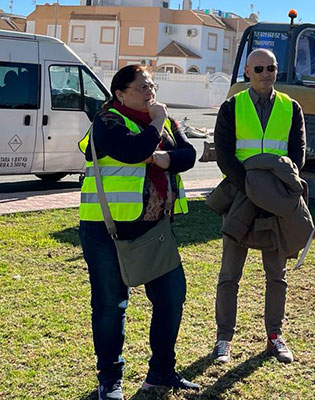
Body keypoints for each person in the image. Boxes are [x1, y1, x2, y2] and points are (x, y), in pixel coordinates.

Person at [77, 64, 198, 400]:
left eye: (152, 86)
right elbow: (132, 151)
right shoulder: (107, 121)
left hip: (154, 227)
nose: (150, 93)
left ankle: (160, 372)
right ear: (120, 93)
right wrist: (157, 126)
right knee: (110, 305)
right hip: (107, 229)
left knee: (172, 297)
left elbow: (189, 155)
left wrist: (164, 159)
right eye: (142, 87)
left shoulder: (165, 121)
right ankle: (110, 379)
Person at [211, 48, 306, 364]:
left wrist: (273, 191)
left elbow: (298, 156)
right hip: (241, 199)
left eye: (272, 67)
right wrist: (251, 189)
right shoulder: (231, 107)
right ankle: (224, 339)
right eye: (260, 68)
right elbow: (224, 155)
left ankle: (275, 336)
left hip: (276, 202)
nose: (267, 73)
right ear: (248, 72)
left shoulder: (291, 108)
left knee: (276, 276)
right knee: (229, 275)